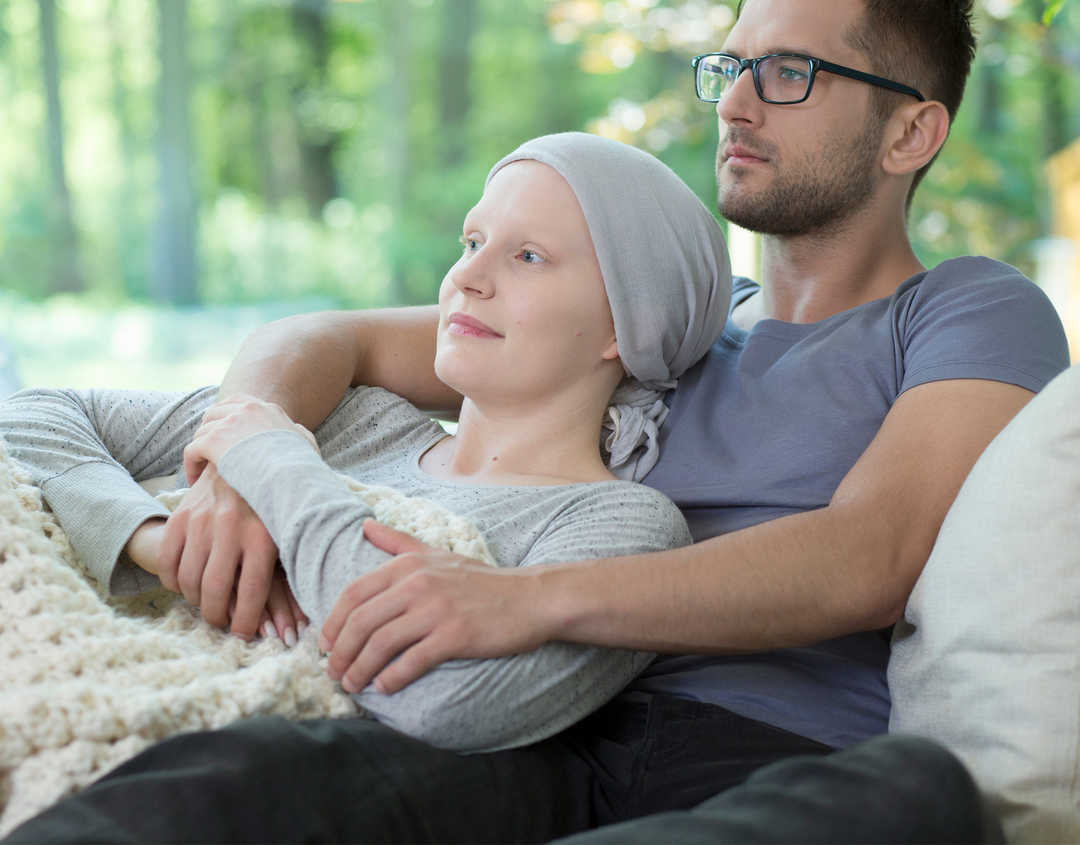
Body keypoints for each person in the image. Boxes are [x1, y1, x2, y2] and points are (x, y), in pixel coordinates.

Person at [2, 0, 1069, 842]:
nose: (737, 104)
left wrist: (525, 601)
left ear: (910, 132)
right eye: (729, 67)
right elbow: (326, 336)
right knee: (238, 783)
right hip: (539, 727)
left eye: (790, 73)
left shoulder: (968, 309)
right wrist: (236, 468)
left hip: (763, 751)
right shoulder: (664, 326)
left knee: (918, 797)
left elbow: (870, 558)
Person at [0, 131, 732, 754]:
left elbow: (454, 703)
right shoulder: (357, 417)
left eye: (528, 256)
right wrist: (159, 542)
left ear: (625, 326)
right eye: (472, 241)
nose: (467, 277)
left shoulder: (620, 526)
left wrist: (275, 466)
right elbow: (33, 417)